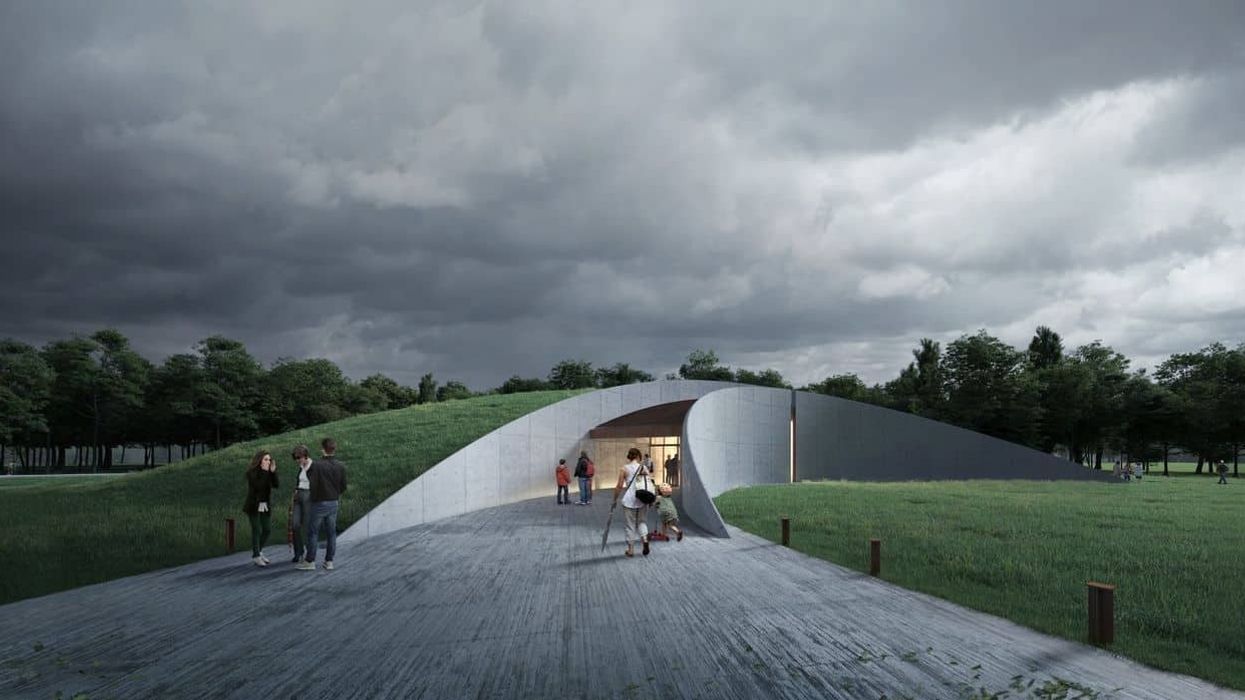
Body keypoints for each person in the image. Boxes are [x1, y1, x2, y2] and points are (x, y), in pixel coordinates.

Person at [297, 438, 347, 571]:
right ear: (334, 449)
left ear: (323, 449)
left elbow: (312, 484)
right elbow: (343, 486)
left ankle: (310, 561)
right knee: (331, 533)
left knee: (313, 532)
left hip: (319, 503)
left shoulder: (317, 465)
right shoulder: (340, 465)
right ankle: (329, 561)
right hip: (334, 502)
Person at [242, 450, 280, 567]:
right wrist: (264, 472)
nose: (268, 462)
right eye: (265, 459)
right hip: (253, 505)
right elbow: (258, 486)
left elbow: (276, 485)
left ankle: (259, 551)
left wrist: (273, 473)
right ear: (259, 461)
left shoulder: (268, 472)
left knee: (267, 529)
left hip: (265, 505)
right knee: (257, 529)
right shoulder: (251, 473)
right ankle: (256, 556)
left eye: (269, 459)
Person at [614, 447, 652, 558]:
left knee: (630, 525)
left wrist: (614, 500)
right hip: (642, 499)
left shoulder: (624, 469)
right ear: (638, 456)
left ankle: (630, 550)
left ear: (629, 456)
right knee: (642, 521)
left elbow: (619, 486)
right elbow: (648, 483)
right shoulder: (644, 467)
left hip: (629, 500)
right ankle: (645, 539)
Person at [288, 445, 313, 564]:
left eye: (299, 458)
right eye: (296, 458)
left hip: (309, 496)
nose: (297, 460)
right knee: (295, 524)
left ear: (305, 456)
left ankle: (309, 553)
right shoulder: (301, 466)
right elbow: (299, 480)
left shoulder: (313, 466)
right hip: (298, 495)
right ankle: (298, 552)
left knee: (308, 525)